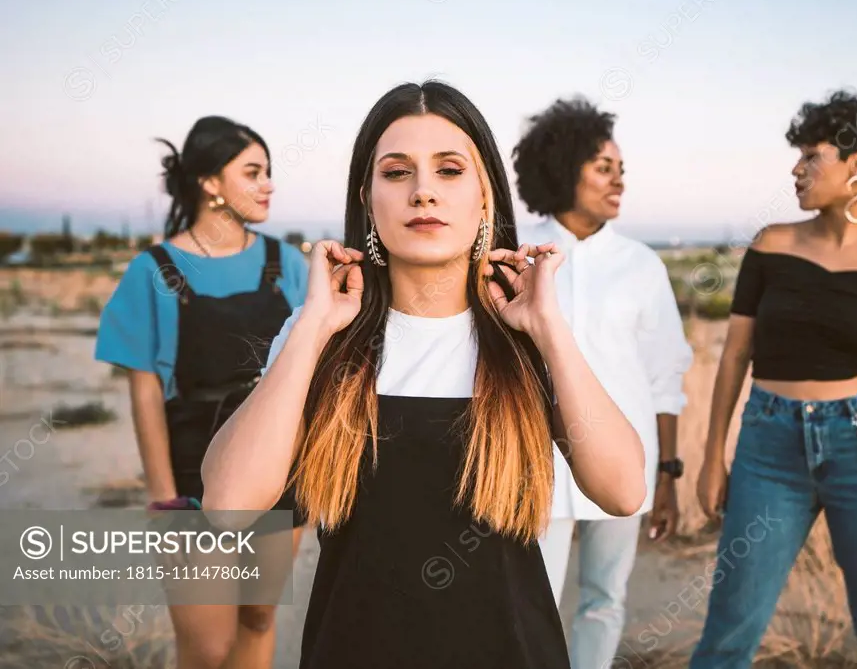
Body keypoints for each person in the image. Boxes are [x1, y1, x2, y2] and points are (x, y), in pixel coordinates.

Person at [198, 80, 649, 669]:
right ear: (367, 197)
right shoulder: (319, 338)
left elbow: (622, 491)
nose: (423, 193)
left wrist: (549, 330)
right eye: (396, 172)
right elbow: (229, 504)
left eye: (450, 170)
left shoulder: (529, 339)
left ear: (485, 196)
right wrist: (311, 329)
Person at [689, 90, 857, 668]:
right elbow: (734, 357)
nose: (796, 169)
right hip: (767, 447)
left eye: (812, 156)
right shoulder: (771, 244)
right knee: (728, 630)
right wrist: (712, 457)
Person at [95, 115, 310, 669]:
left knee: (258, 617)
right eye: (253, 172)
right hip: (194, 474)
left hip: (281, 465)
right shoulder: (154, 270)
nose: (269, 185)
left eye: (269, 172)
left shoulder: (285, 264)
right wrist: (164, 497)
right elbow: (145, 396)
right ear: (211, 183)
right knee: (208, 647)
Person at [511, 97, 693, 668]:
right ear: (563, 168)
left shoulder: (641, 264)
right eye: (602, 167)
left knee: (605, 601)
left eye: (621, 171)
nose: (618, 182)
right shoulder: (518, 252)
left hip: (624, 458)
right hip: (536, 461)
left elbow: (665, 375)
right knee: (529, 601)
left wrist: (666, 476)